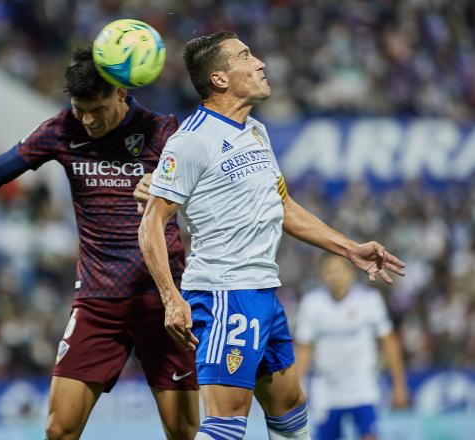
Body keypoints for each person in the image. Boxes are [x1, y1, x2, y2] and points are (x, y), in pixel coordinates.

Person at [0, 47, 199, 440]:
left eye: (97, 107)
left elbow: (207, 188)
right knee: (58, 430)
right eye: (81, 108)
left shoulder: (164, 131)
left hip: (161, 301)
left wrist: (171, 190)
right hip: (98, 303)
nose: (89, 119)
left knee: (185, 433)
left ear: (121, 94)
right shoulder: (62, 129)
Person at [137, 31, 406, 440]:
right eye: (245, 56)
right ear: (220, 80)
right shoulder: (192, 141)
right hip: (225, 293)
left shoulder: (257, 132)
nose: (260, 62)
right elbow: (151, 223)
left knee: (290, 410)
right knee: (226, 422)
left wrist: (350, 248)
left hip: (263, 291)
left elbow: (283, 208)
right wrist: (171, 298)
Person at [294, 255, 409, 440]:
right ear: (323, 275)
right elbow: (304, 348)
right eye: (330, 271)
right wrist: (298, 385)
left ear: (351, 274)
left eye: (339, 270)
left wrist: (399, 385)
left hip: (363, 387)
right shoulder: (312, 303)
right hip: (326, 390)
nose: (335, 276)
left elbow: (389, 343)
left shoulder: (369, 300)